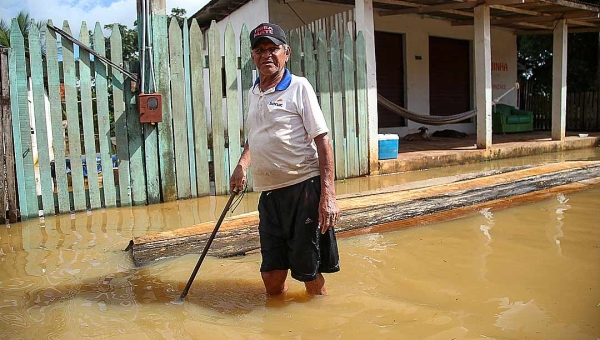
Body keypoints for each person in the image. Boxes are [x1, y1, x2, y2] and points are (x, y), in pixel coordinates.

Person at [230, 22, 340, 296]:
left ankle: (323, 323)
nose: (266, 54)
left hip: (303, 190)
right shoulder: (254, 92)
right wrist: (242, 166)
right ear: (253, 57)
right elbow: (255, 137)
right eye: (259, 50)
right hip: (269, 195)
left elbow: (323, 140)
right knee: (271, 275)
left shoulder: (299, 87)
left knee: (308, 273)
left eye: (272, 48)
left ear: (286, 53)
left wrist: (328, 196)